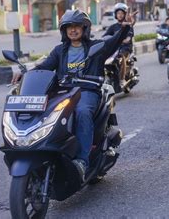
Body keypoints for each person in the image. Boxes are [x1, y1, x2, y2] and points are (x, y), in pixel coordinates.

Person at [11, 9, 134, 180]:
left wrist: (125, 28)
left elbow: (114, 42)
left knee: (82, 112)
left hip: (87, 91)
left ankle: (82, 161)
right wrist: (25, 73)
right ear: (64, 30)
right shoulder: (60, 51)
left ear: (84, 28)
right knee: (46, 112)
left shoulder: (95, 47)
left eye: (77, 26)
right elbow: (45, 67)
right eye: (69, 27)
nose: (73, 30)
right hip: (64, 92)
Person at [104, 3, 136, 86]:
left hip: (125, 49)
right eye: (118, 13)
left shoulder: (128, 26)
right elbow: (105, 36)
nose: (120, 15)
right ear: (115, 15)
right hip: (114, 48)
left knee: (121, 57)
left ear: (125, 14)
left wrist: (121, 40)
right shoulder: (113, 27)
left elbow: (128, 39)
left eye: (122, 13)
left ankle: (122, 80)